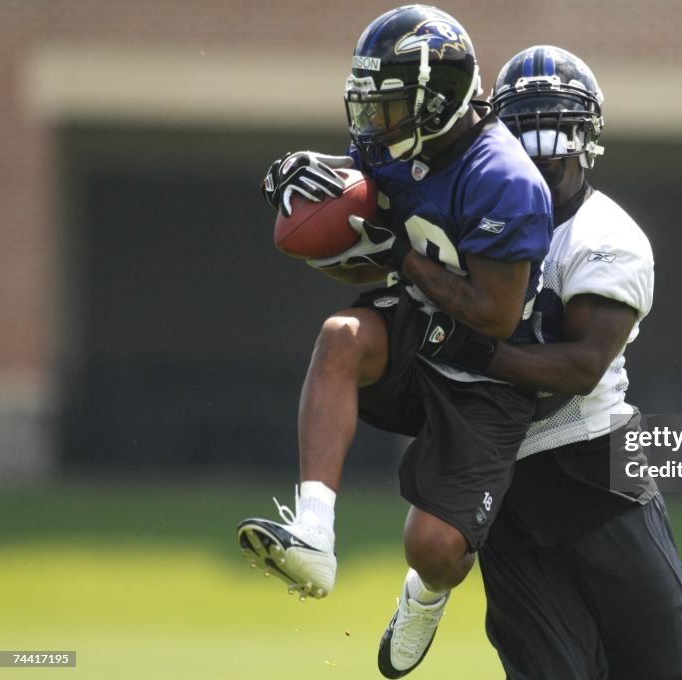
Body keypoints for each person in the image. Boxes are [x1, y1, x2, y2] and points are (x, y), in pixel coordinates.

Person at [235, 6, 552, 679]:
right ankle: (314, 532)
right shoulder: (393, 149)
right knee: (341, 336)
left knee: (433, 549)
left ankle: (428, 595)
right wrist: (303, 190)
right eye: (368, 107)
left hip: (489, 372)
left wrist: (398, 255)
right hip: (419, 327)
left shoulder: (505, 179)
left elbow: (493, 316)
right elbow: (356, 245)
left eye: (390, 107)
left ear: (438, 102)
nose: (372, 127)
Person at [421, 45, 682, 680]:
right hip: (500, 469)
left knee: (667, 672)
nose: (539, 142)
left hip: (592, 463)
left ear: (589, 136)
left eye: (554, 122)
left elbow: (581, 366)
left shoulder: (607, 236)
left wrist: (469, 348)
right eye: (522, 122)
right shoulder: (468, 215)